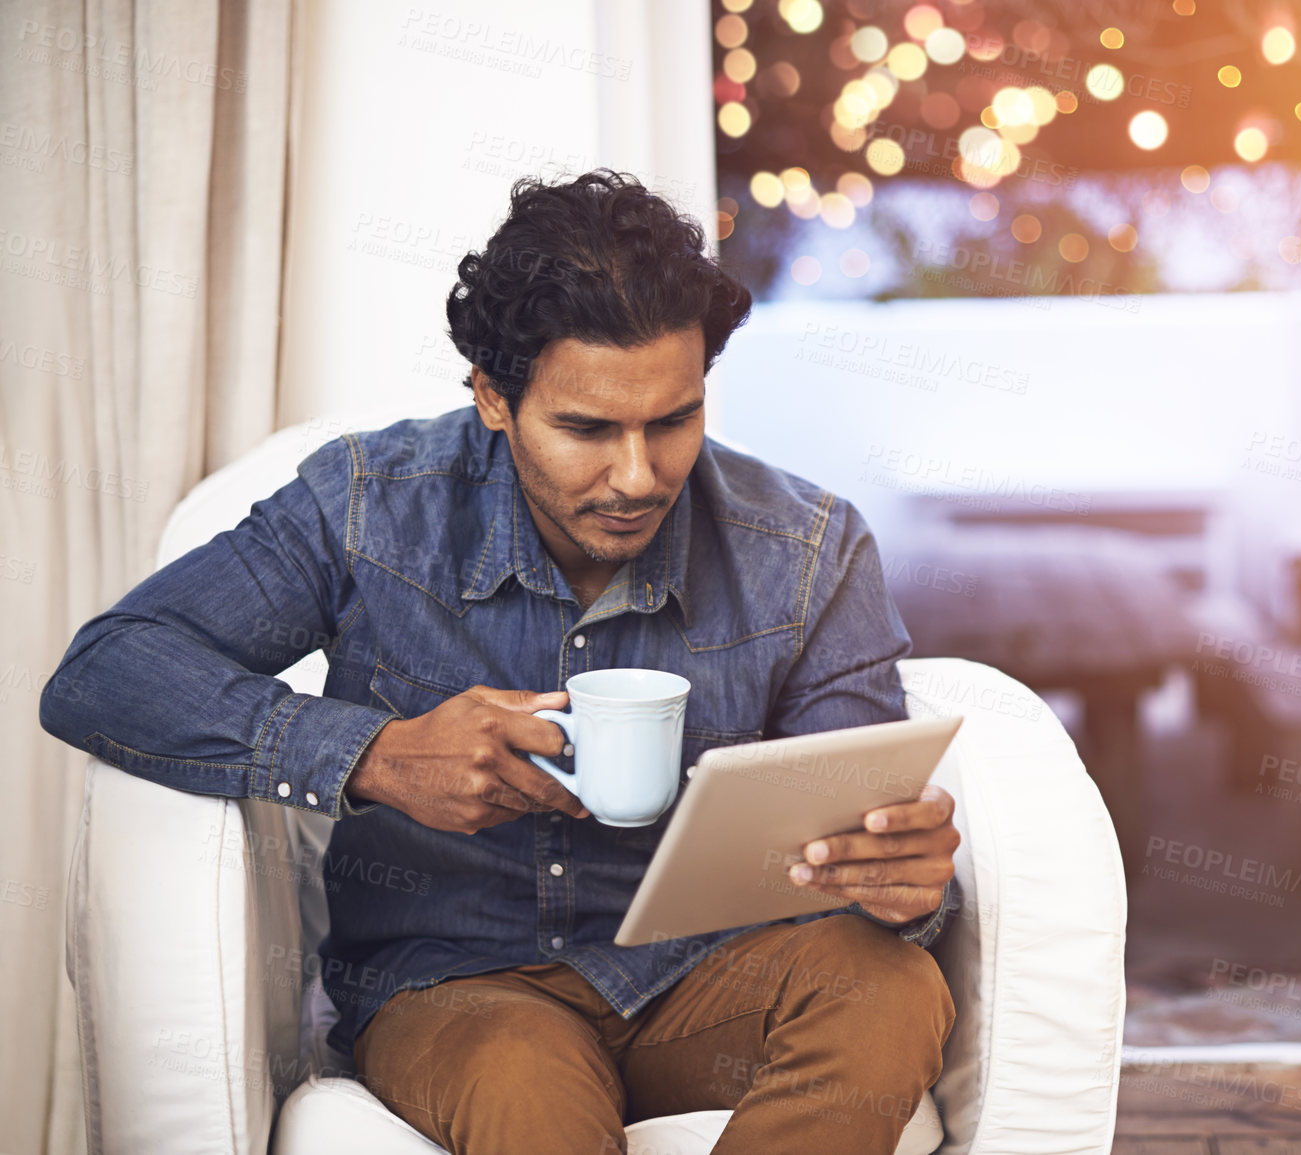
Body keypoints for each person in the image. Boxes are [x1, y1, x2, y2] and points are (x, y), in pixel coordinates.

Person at [39, 170, 962, 1154]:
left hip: (709, 984)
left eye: (673, 420)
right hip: (457, 987)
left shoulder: (806, 548)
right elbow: (108, 669)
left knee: (891, 983)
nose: (638, 476)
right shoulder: (368, 507)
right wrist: (373, 754)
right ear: (493, 397)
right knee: (523, 1081)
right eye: (586, 429)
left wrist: (902, 883)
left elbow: (856, 836)